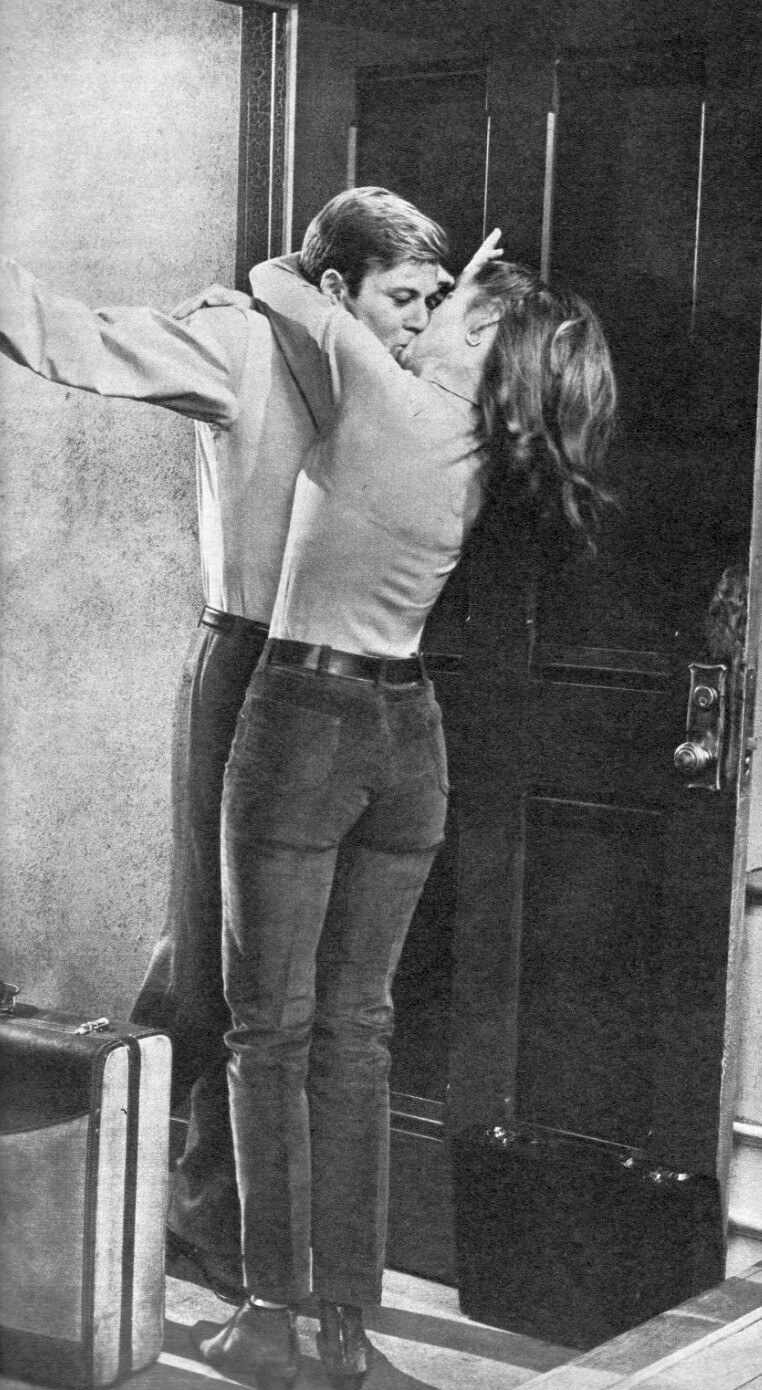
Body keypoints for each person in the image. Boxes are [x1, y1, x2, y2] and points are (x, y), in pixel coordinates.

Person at [0, 187, 452, 1306]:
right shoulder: (243, 343)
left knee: (317, 994)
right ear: (336, 286)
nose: (420, 322)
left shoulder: (417, 376)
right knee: (215, 959)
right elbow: (71, 339)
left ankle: (239, 1230)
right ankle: (177, 1211)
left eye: (429, 301)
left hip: (356, 688)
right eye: (401, 298)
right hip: (249, 661)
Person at [189, 236, 617, 1388]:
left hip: (306, 717)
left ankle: (268, 1320)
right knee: (357, 1033)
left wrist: (301, 283)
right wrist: (471, 291)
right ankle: (347, 1336)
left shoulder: (387, 395)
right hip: (409, 737)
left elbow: (279, 281)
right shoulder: (479, 446)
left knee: (268, 1028)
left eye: (451, 307)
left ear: (479, 344)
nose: (423, 315)